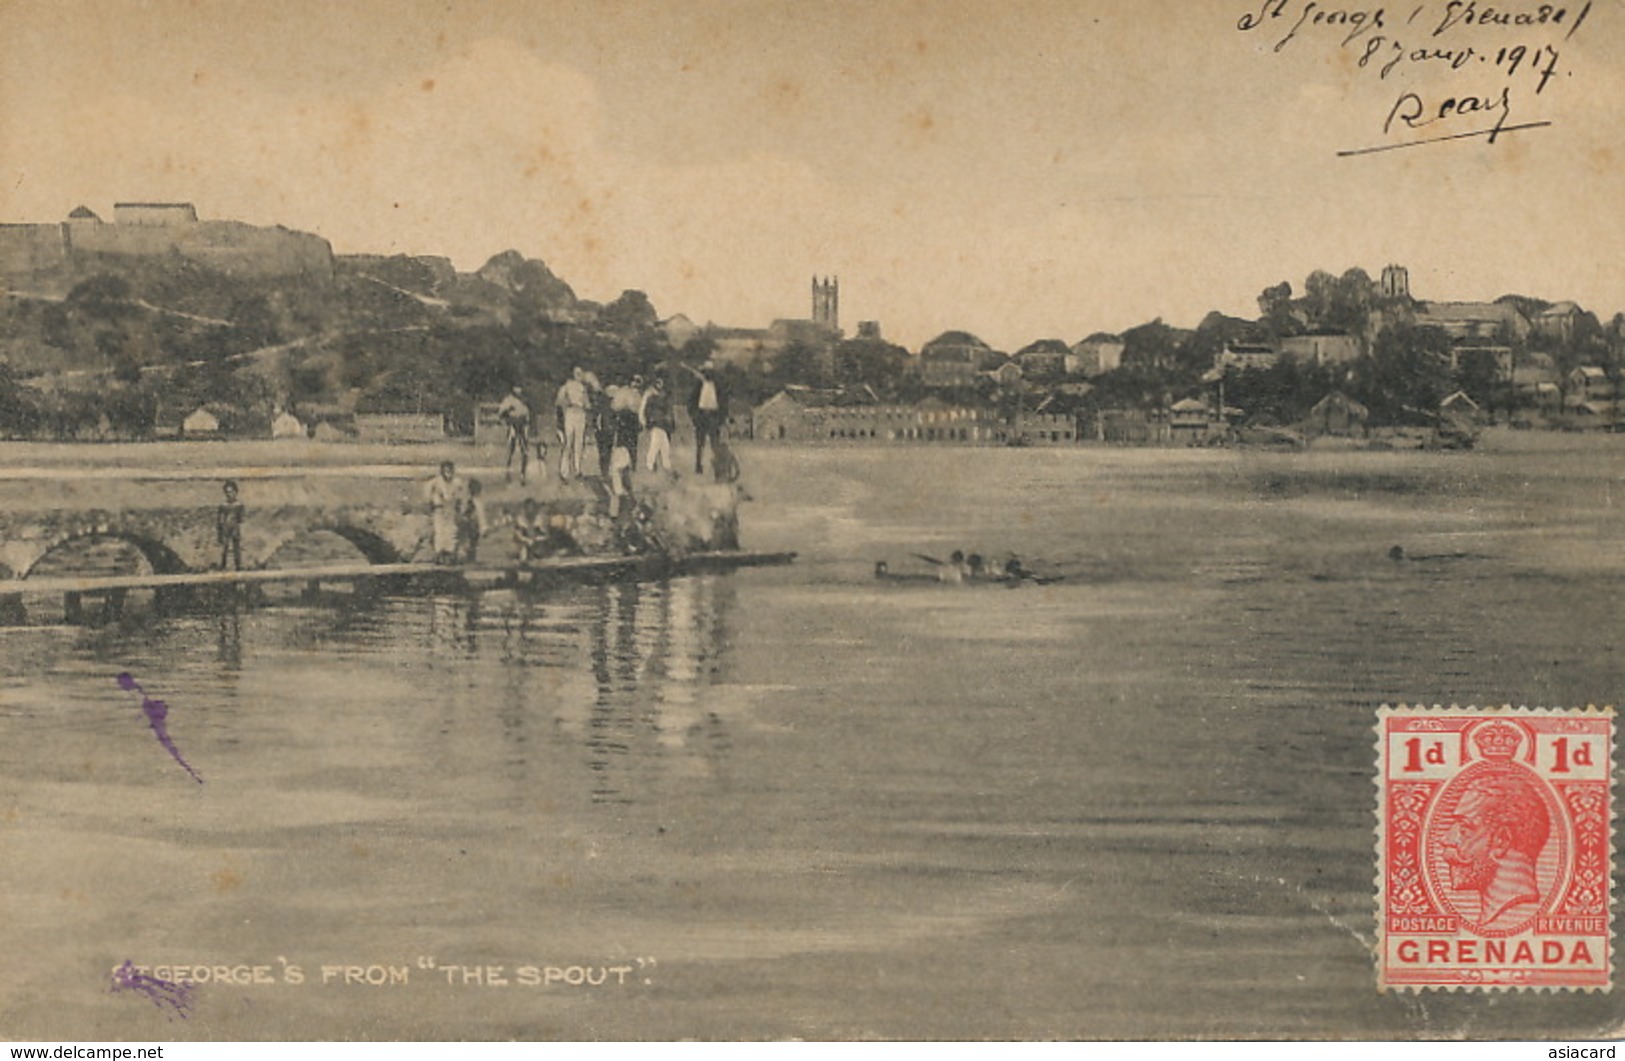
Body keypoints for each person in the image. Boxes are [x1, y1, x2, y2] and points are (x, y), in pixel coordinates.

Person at [1438, 752, 1551, 931]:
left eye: (1465, 828)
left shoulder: (1512, 916)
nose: (1445, 840)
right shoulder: (1498, 921)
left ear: (1501, 841)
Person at [683, 362, 728, 475]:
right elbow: (691, 402)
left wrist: (720, 419)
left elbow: (724, 403)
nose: (708, 374)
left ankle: (718, 468)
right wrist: (694, 416)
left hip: (714, 416)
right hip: (701, 415)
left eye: (710, 372)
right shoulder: (698, 385)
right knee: (700, 443)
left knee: (715, 444)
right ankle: (698, 466)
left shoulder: (718, 386)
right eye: (706, 371)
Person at [426, 460, 470, 564]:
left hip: (451, 510)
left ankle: (450, 555)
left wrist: (460, 507)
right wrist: (434, 503)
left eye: (450, 471)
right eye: (446, 471)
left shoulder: (457, 482)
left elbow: (461, 496)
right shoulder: (436, 482)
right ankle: (439, 555)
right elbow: (429, 495)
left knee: (451, 531)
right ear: (442, 472)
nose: (448, 474)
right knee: (440, 532)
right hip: (440, 510)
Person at [554, 367, 593, 482]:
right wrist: (568, 403)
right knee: (568, 443)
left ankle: (578, 470)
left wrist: (586, 404)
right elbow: (559, 401)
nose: (579, 376)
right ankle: (564, 472)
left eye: (581, 374)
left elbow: (587, 404)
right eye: (577, 373)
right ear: (572, 374)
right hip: (570, 413)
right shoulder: (567, 386)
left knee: (579, 443)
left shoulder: (582, 388)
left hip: (580, 414)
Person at [494, 385, 532, 484]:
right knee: (510, 450)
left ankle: (522, 474)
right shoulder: (508, 400)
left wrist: (527, 424)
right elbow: (501, 414)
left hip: (523, 426)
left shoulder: (524, 400)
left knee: (525, 451)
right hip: (513, 425)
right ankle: (507, 472)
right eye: (516, 388)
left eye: (520, 388)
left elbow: (528, 414)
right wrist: (508, 416)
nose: (518, 390)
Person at [640, 377, 676, 476]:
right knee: (656, 445)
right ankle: (651, 465)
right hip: (655, 423)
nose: (660, 385)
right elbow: (644, 410)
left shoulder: (661, 396)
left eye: (661, 383)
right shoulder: (651, 396)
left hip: (661, 424)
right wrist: (645, 422)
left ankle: (665, 465)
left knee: (664, 445)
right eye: (658, 383)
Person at [216, 479, 244, 571]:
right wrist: (219, 534)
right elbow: (219, 519)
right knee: (224, 549)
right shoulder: (223, 505)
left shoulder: (239, 505)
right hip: (225, 529)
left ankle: (238, 568)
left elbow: (241, 519)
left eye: (231, 492)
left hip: (235, 529)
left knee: (237, 550)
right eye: (227, 492)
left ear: (236, 492)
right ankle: (222, 568)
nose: (229, 494)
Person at [458, 478, 488, 563]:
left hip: (473, 525)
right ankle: (466, 557)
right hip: (468, 525)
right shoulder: (470, 501)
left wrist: (482, 528)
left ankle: (470, 558)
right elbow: (469, 513)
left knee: (472, 543)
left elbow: (480, 516)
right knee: (467, 543)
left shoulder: (476, 501)